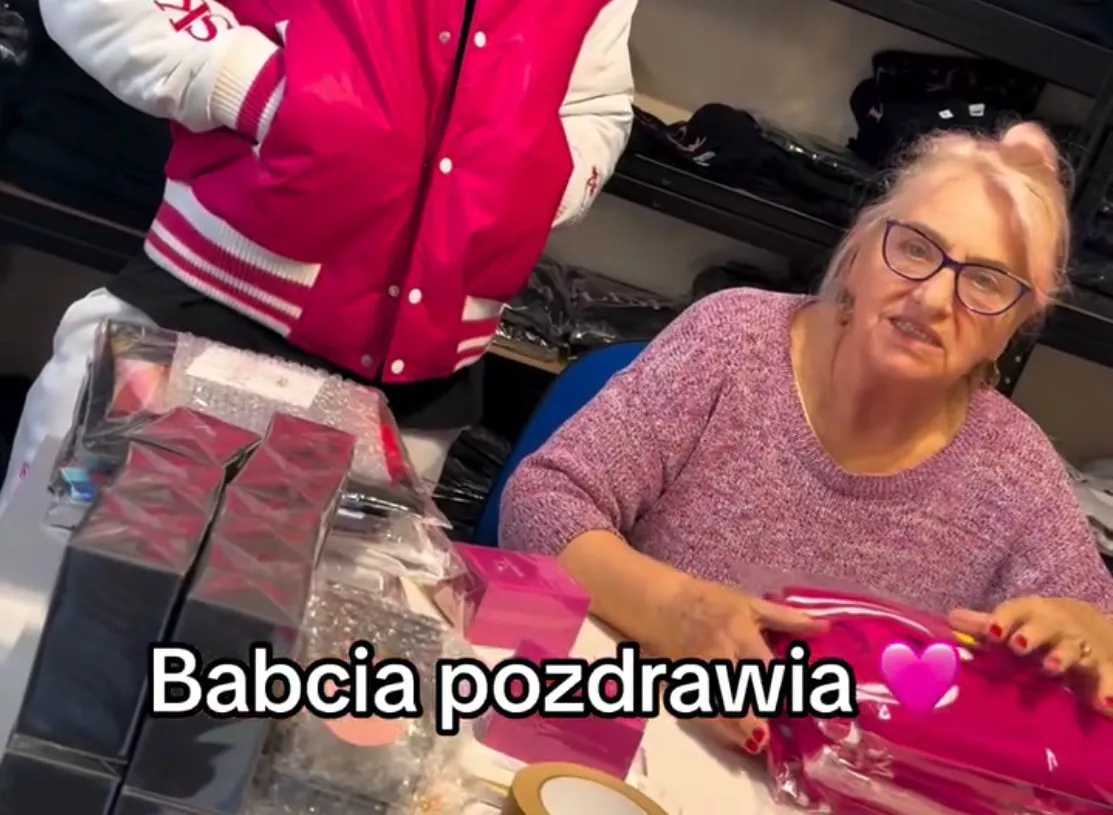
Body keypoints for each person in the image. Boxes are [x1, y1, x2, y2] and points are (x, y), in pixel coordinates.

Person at [499, 122, 1113, 752]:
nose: (933, 298)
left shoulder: (1015, 472)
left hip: (822, 786)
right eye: (916, 248)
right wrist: (672, 614)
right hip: (617, 730)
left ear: (1013, 327)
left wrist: (1094, 640)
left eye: (985, 282)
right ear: (862, 251)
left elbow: (1099, 636)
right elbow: (542, 503)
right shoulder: (732, 342)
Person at [0, 0, 637, 513]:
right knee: (52, 606)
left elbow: (596, 106)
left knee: (302, 642)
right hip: (202, 325)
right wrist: (257, 90)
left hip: (413, 408)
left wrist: (521, 186)